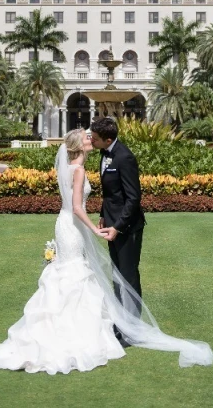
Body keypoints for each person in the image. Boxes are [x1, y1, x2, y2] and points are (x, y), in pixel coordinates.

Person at [0, 128, 213, 375]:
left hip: (66, 225)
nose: (90, 139)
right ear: (78, 146)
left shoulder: (71, 168)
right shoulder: (79, 170)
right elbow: (75, 207)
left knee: (70, 273)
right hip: (74, 227)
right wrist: (94, 227)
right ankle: (78, 333)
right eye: (86, 138)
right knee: (75, 273)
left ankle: (68, 328)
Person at [90, 116, 145, 324]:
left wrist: (118, 227)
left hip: (127, 227)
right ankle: (120, 321)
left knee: (128, 274)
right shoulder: (104, 154)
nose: (91, 141)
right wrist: (104, 216)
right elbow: (110, 193)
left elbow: (133, 198)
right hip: (111, 223)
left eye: (94, 138)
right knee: (116, 274)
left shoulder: (125, 157)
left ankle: (134, 325)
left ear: (108, 138)